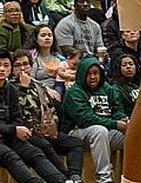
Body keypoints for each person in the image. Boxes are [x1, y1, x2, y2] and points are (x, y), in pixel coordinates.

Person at [0, 49, 67, 183]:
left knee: (35, 153)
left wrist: (5, 132)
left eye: (6, 65)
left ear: (10, 69)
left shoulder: (11, 90)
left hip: (7, 136)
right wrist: (12, 130)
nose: (2, 69)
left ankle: (63, 180)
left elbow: (18, 119)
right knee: (10, 156)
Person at [10, 50, 85, 183]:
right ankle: (66, 177)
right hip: (26, 133)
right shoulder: (9, 87)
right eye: (17, 65)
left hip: (47, 130)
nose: (22, 68)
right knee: (44, 145)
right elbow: (16, 111)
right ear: (11, 68)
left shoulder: (38, 84)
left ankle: (75, 177)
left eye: (26, 64)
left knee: (76, 143)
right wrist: (23, 88)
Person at [63, 57, 127, 183]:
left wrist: (122, 119)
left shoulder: (107, 88)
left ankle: (138, 175)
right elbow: (85, 119)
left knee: (135, 132)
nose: (93, 77)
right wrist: (115, 123)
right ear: (82, 74)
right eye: (89, 74)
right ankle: (104, 179)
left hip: (106, 132)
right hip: (77, 133)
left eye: (95, 73)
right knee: (99, 131)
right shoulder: (74, 92)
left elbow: (117, 108)